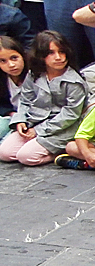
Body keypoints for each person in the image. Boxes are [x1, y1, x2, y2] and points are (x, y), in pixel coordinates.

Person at [0, 30, 86, 165]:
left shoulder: (74, 82)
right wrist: (21, 120)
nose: (58, 57)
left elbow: (70, 114)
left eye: (61, 52)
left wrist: (38, 131)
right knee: (5, 153)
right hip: (35, 122)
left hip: (61, 128)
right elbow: (25, 99)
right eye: (51, 53)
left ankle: (60, 154)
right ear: (41, 56)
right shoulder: (35, 74)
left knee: (26, 157)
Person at [0, 35, 28, 137]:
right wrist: (10, 113)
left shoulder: (35, 75)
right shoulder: (3, 78)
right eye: (3, 61)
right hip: (10, 116)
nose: (11, 65)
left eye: (14, 58)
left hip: (30, 120)